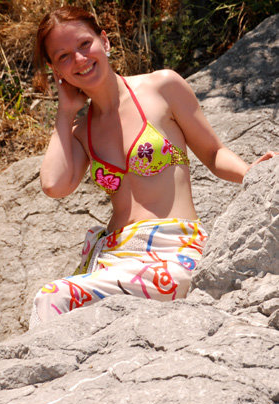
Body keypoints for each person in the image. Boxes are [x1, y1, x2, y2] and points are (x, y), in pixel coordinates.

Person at [28, 6, 277, 328]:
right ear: (55, 70)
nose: (78, 59)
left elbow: (214, 153)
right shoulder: (80, 130)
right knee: (62, 310)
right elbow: (54, 186)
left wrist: (253, 174)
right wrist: (64, 113)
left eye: (84, 44)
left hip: (174, 250)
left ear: (105, 41)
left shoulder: (161, 87)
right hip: (113, 258)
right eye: (63, 56)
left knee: (52, 297)